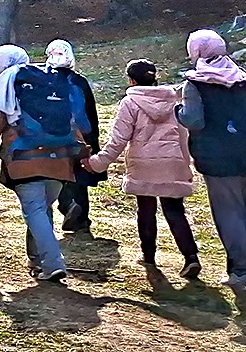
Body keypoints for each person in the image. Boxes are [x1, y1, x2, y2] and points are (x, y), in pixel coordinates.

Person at [177, 29, 246, 290]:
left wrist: (178, 110)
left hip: (218, 161)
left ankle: (242, 273)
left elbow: (194, 120)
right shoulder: (243, 76)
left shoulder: (196, 83)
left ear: (195, 51)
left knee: (229, 213)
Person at [84, 59, 199, 277]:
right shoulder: (174, 101)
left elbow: (118, 140)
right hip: (172, 161)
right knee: (175, 211)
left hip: (143, 163)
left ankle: (149, 256)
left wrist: (97, 163)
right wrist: (187, 165)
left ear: (131, 80)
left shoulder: (130, 102)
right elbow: (184, 136)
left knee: (145, 209)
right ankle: (191, 257)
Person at [0, 44, 83, 282]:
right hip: (61, 158)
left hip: (25, 159)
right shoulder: (52, 79)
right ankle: (37, 259)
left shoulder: (7, 81)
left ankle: (53, 263)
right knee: (42, 209)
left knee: (35, 210)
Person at [46, 40, 102, 234]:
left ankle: (68, 206)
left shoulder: (44, 80)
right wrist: (90, 138)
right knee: (79, 177)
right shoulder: (79, 81)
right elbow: (86, 114)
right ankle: (80, 218)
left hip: (53, 136)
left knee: (58, 175)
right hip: (80, 136)